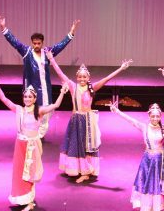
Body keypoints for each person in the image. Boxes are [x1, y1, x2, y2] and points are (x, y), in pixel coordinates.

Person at [47, 50, 132, 183]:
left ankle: (86, 172)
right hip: (75, 120)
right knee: (74, 145)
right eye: (79, 77)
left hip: (86, 121)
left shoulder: (92, 88)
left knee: (86, 146)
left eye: (84, 77)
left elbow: (106, 79)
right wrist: (51, 59)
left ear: (88, 78)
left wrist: (121, 68)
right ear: (77, 77)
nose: (82, 79)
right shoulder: (72, 86)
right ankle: (77, 168)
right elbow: (60, 73)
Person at [0, 73, 69, 211]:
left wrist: (62, 92)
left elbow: (56, 105)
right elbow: (4, 99)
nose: (27, 99)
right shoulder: (19, 110)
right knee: (19, 172)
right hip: (20, 144)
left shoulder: (39, 110)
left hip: (32, 145)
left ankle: (30, 202)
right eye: (25, 96)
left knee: (30, 172)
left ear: (34, 98)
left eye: (30, 97)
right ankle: (22, 198)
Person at [0, 14, 80, 137]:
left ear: (42, 43)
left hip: (45, 88)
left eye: (38, 43)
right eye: (34, 43)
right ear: (32, 43)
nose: (36, 45)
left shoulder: (47, 52)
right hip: (31, 88)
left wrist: (71, 32)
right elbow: (14, 42)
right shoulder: (26, 51)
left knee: (46, 112)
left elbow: (60, 45)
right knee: (30, 111)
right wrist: (4, 28)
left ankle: (39, 134)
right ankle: (31, 132)